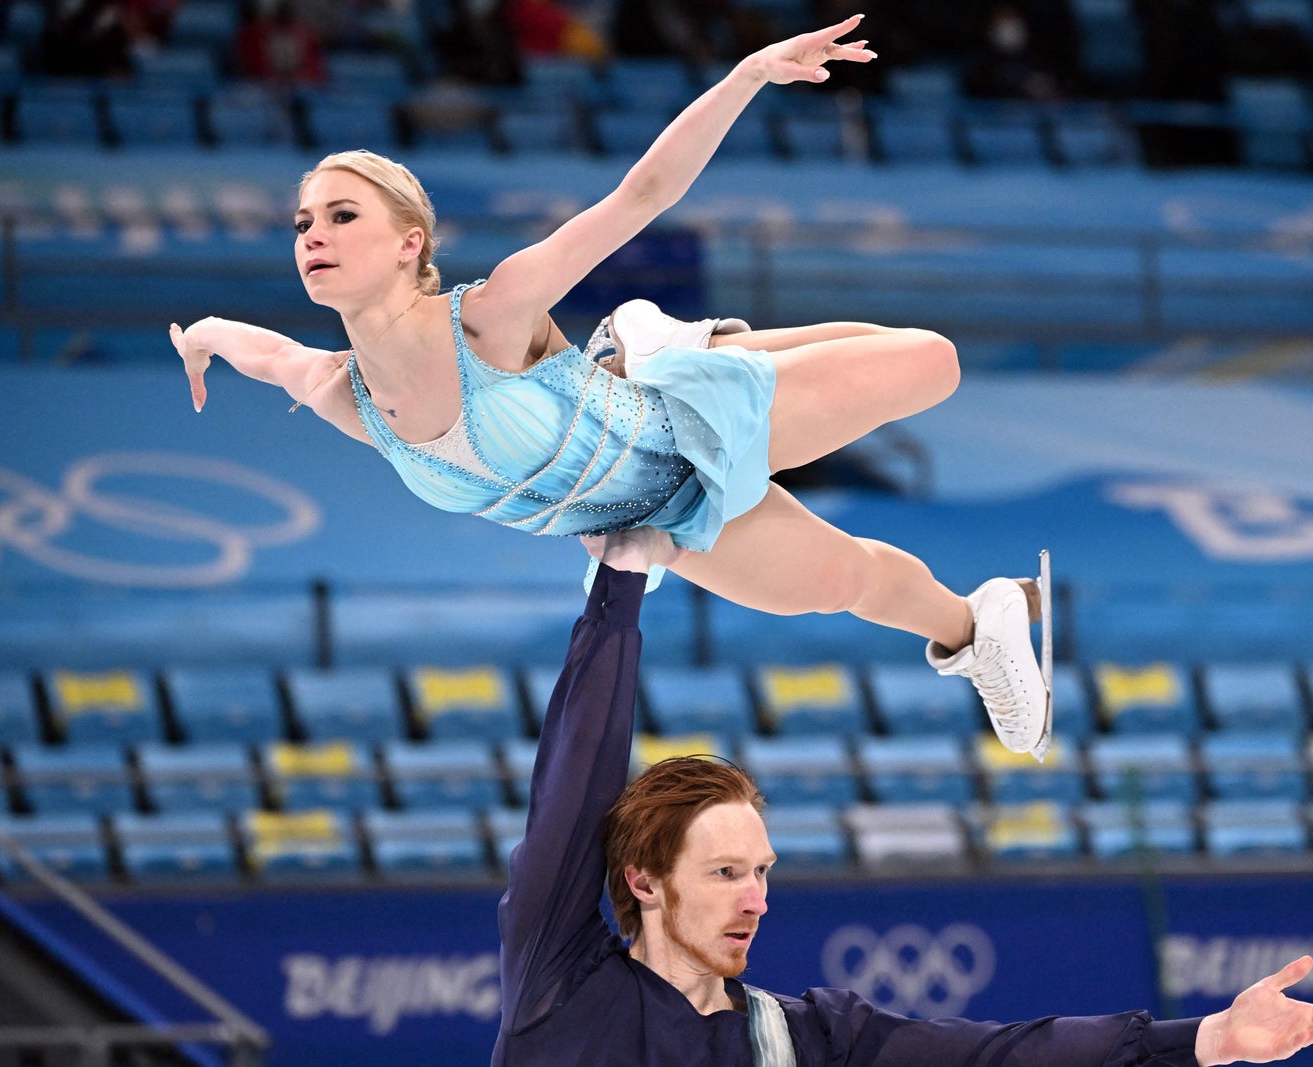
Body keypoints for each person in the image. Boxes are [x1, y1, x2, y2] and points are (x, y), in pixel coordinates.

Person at [167, 15, 1050, 758]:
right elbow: (265, 351)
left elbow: (641, 195)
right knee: (835, 582)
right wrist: (203, 335)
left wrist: (747, 74)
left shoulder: (492, 314)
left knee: (932, 361)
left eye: (341, 215)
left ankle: (673, 350)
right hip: (658, 521)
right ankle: (979, 626)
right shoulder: (344, 395)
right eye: (303, 223)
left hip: (678, 425)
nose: (312, 234)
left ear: (410, 243)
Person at [494, 523, 1313, 1065]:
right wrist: (620, 583)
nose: (758, 898)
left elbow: (1002, 1054)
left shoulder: (800, 1039)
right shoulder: (557, 979)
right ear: (644, 880)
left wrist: (1207, 1039)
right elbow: (576, 779)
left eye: (762, 869)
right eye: (725, 872)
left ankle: (971, 623)